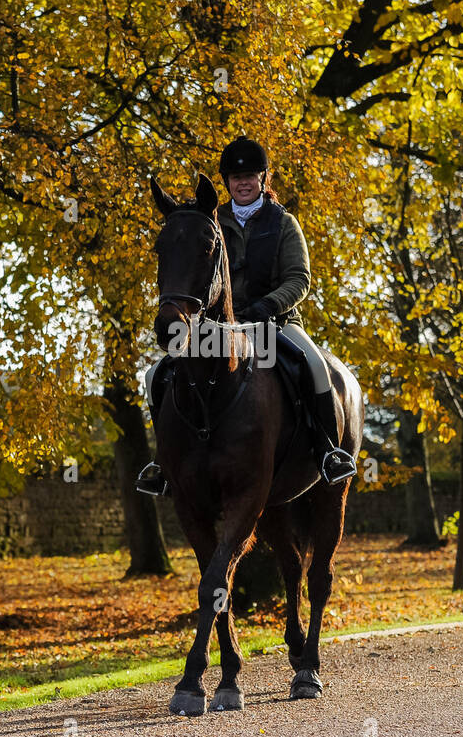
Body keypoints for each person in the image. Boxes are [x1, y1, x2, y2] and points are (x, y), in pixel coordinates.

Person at [136, 136, 357, 496]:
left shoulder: (284, 223)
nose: (243, 182)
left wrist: (265, 306)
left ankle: (328, 451)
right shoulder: (210, 220)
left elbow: (299, 279)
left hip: (276, 322)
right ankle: (163, 463)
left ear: (263, 178)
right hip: (217, 327)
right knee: (155, 374)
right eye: (235, 177)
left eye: (250, 176)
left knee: (315, 366)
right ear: (226, 182)